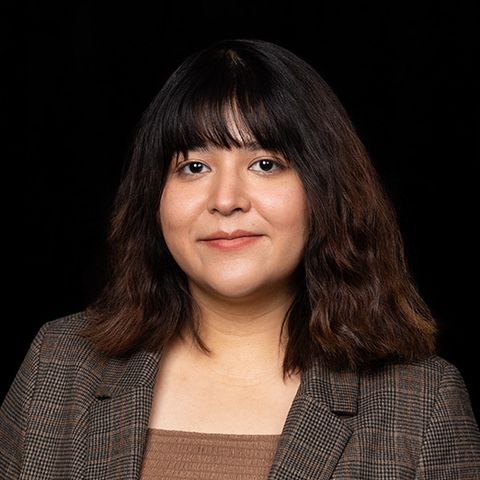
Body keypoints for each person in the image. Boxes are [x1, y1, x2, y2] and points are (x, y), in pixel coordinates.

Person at [1, 38, 479, 480]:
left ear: (326, 190)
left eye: (264, 164)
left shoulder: (421, 404)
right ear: (154, 197)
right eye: (194, 166)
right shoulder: (57, 366)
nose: (226, 200)